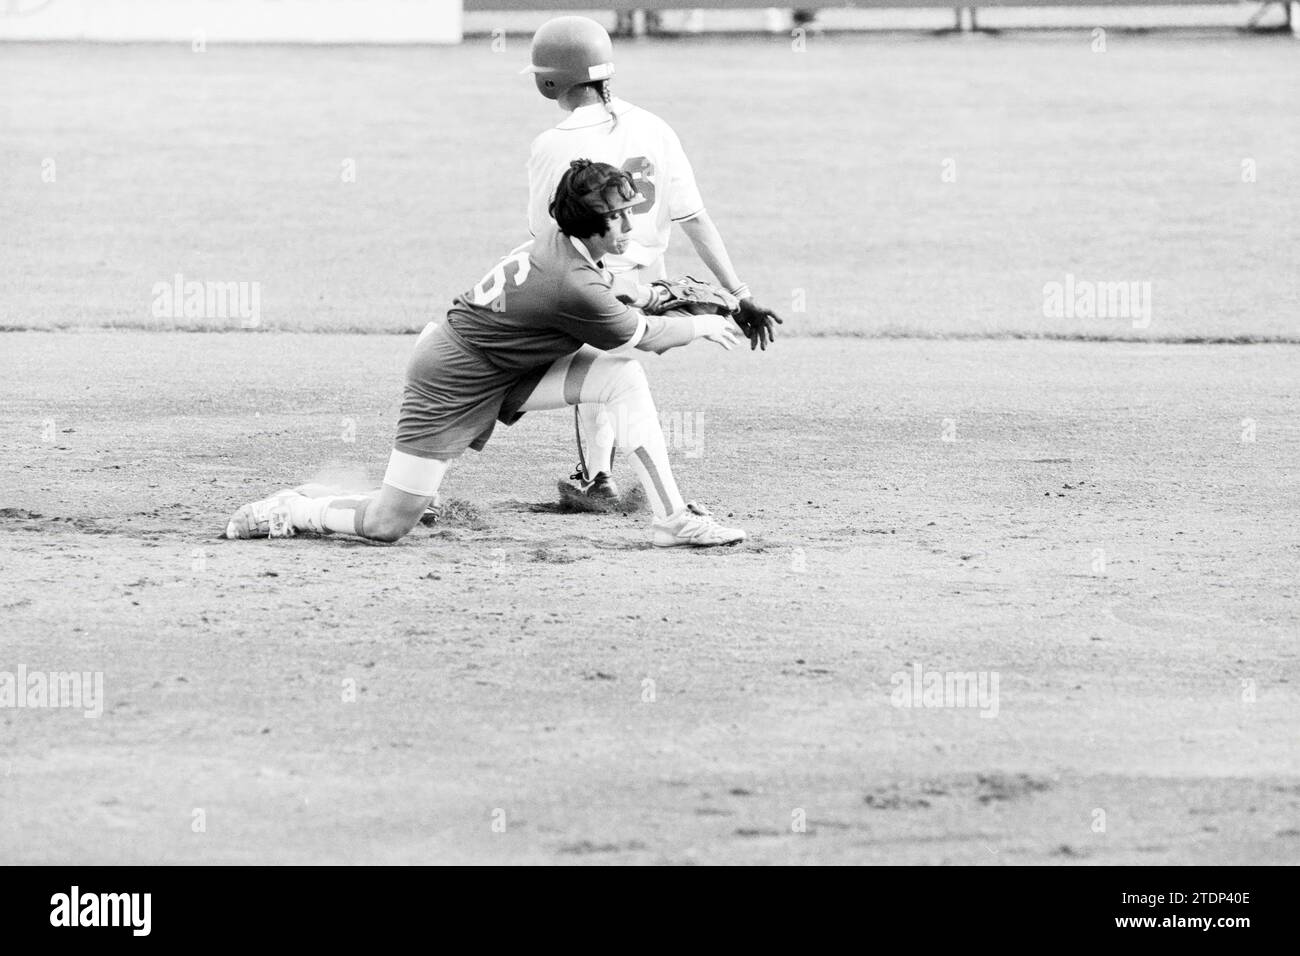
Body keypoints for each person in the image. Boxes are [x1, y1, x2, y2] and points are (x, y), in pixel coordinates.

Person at [224, 160, 746, 549]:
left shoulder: (563, 244)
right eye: (618, 217)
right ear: (590, 224)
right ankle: (295, 509)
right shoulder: (570, 282)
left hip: (506, 367)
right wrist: (702, 322)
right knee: (389, 524)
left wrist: (655, 295)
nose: (630, 227)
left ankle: (672, 519)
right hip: (450, 378)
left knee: (620, 379)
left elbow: (613, 292)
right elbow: (645, 335)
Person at [521, 16, 783, 502]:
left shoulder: (552, 144)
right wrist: (738, 294)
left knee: (596, 372)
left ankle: (604, 480)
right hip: (652, 284)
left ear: (549, 77)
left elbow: (546, 237)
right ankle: (599, 476)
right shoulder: (655, 127)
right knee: (614, 369)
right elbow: (695, 219)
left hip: (587, 279)